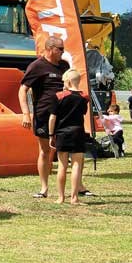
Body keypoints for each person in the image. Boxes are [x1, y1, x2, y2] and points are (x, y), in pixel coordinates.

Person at [19, 36, 70, 198]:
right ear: (50, 49)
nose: (63, 52)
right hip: (43, 114)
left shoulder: (64, 66)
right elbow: (22, 90)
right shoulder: (37, 66)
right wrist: (26, 114)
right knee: (45, 150)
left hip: (64, 114)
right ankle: (44, 188)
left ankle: (78, 187)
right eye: (60, 49)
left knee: (67, 150)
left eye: (63, 49)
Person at [48, 69, 89, 204]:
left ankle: (60, 197)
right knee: (77, 165)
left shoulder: (59, 96)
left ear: (68, 81)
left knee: (62, 166)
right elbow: (83, 113)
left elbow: (52, 118)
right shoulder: (84, 97)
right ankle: (74, 198)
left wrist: (50, 134)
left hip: (62, 133)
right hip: (78, 132)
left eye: (64, 81)